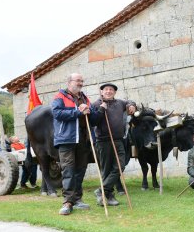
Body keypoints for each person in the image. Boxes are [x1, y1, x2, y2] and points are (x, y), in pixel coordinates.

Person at [52, 73, 98, 215]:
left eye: (82, 81)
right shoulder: (59, 96)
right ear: (69, 82)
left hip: (83, 139)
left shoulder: (84, 98)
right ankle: (67, 202)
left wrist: (93, 112)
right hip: (66, 139)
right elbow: (57, 113)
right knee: (68, 171)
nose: (80, 83)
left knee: (80, 170)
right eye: (78, 80)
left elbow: (92, 117)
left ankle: (77, 199)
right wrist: (78, 111)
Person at [93, 82, 136, 206]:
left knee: (120, 166)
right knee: (106, 170)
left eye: (111, 90)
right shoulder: (96, 104)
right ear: (102, 92)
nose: (108, 91)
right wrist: (101, 109)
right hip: (103, 141)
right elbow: (93, 121)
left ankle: (101, 190)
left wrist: (132, 105)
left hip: (118, 140)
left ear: (114, 92)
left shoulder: (120, 103)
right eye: (106, 89)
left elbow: (129, 102)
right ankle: (109, 196)